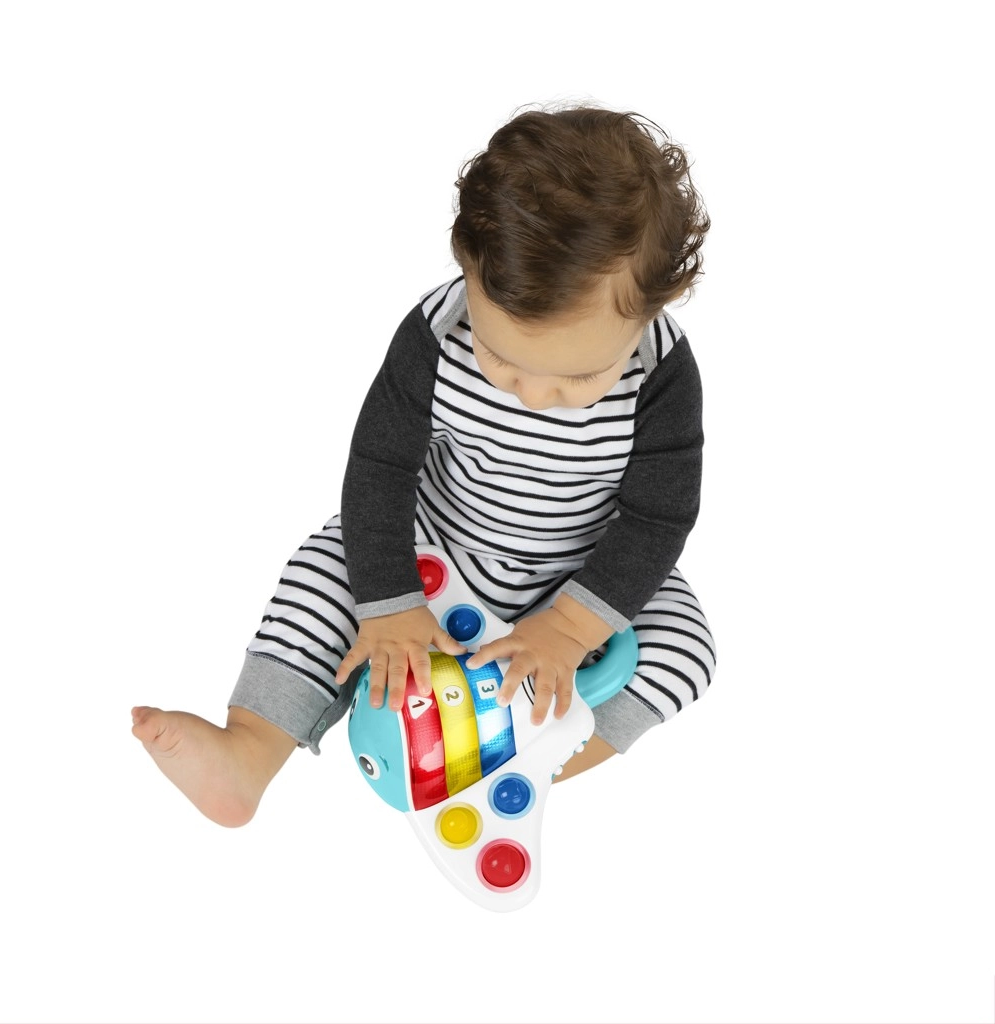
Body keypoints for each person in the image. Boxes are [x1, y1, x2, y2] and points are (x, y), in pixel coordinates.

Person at [132, 104, 717, 828]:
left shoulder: (662, 376)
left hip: (582, 575)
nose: (535, 395)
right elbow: (380, 467)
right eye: (502, 361)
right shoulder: (436, 333)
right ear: (468, 270)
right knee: (324, 571)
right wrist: (390, 602)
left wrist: (570, 629)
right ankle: (250, 748)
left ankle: (519, 763)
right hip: (434, 545)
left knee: (685, 648)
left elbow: (658, 518)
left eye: (578, 380)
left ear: (652, 308)